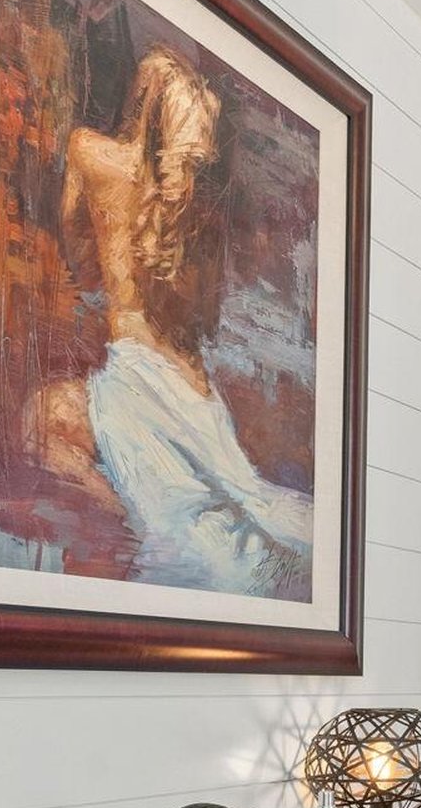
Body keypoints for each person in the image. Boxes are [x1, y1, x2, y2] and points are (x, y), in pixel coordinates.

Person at [53, 42, 312, 598]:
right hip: (189, 379)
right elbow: (198, 310)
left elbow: (79, 258)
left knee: (195, 522)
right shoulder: (191, 205)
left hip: (136, 365)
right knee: (244, 502)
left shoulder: (89, 154)